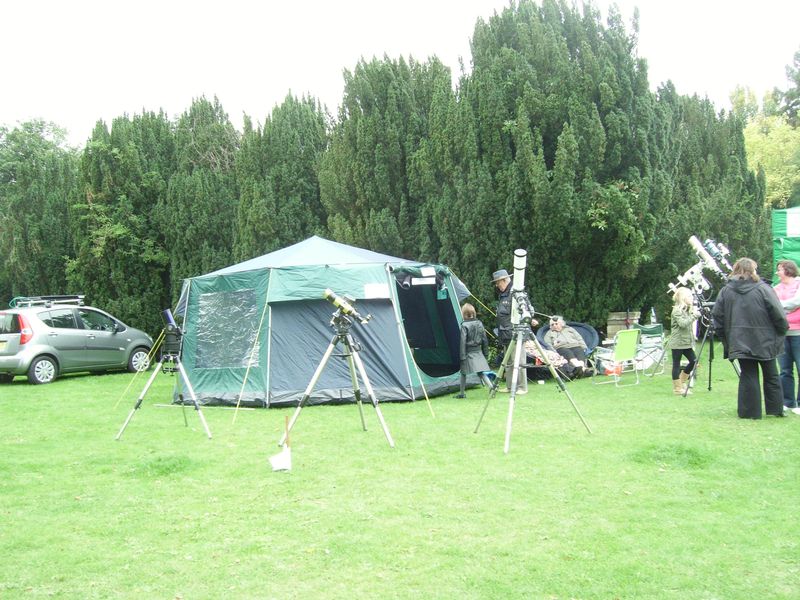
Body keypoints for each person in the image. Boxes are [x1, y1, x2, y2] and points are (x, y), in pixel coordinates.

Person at [712, 258, 788, 419]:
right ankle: (775, 409)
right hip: (765, 339)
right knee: (771, 374)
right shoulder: (764, 289)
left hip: (739, 339)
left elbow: (717, 316)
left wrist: (726, 337)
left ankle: (750, 412)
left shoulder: (726, 291)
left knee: (748, 374)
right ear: (753, 270)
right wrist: (781, 330)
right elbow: (778, 313)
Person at [492, 268, 528, 394]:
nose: (497, 285)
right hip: (505, 334)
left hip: (516, 333)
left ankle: (522, 387)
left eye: (498, 282)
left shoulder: (515, 292)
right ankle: (509, 386)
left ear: (505, 280)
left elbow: (527, 309)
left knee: (519, 360)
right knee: (507, 361)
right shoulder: (503, 294)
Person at [773, 259, 800, 413]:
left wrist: (783, 306)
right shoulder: (776, 288)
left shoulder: (799, 284)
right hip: (782, 333)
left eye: (780, 269)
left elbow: (797, 301)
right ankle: (788, 402)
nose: (778, 272)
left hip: (798, 332)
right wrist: (789, 307)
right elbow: (773, 305)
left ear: (788, 270)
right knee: (785, 370)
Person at [454, 303, 490, 398]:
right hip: (478, 351)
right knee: (480, 372)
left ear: (464, 314)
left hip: (468, 352)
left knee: (463, 373)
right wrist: (486, 354)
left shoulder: (464, 325)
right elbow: (485, 339)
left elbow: (463, 342)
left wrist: (462, 356)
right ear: (473, 313)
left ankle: (462, 393)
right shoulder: (479, 323)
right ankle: (491, 387)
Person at [668, 287, 699, 395]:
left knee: (694, 361)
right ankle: (677, 388)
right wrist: (694, 316)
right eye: (689, 296)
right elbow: (683, 324)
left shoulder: (688, 310)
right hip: (677, 342)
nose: (692, 298)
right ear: (683, 298)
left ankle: (682, 382)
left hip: (686, 342)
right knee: (676, 364)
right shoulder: (677, 310)